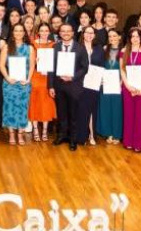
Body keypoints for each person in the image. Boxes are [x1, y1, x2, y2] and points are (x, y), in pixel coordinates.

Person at [48, 23, 89, 151]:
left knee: (73, 114)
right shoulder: (55, 47)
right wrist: (51, 86)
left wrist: (73, 77)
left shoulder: (80, 48)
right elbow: (51, 68)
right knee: (61, 114)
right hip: (59, 86)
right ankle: (61, 136)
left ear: (73, 33)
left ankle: (73, 139)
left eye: (68, 31)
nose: (66, 33)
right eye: (63, 31)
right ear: (59, 33)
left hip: (74, 86)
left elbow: (84, 67)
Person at [120, 27, 141, 153]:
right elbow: (122, 70)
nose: (135, 39)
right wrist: (128, 86)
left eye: (137, 36)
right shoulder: (124, 51)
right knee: (128, 115)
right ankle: (128, 141)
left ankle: (139, 143)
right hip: (128, 88)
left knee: (139, 116)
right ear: (129, 38)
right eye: (132, 36)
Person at [1, 23, 34, 145]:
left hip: (24, 83)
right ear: (13, 33)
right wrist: (8, 78)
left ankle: (20, 134)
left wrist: (28, 79)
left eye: (21, 31)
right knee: (9, 108)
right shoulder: (6, 47)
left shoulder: (29, 48)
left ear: (24, 33)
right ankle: (11, 135)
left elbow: (31, 66)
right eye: (16, 30)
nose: (18, 33)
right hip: (10, 83)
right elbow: (1, 65)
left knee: (22, 109)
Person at [76, 26, 104, 146]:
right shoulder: (77, 48)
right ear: (83, 34)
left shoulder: (99, 49)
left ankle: (92, 135)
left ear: (94, 35)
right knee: (82, 110)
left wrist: (102, 78)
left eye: (92, 33)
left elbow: (102, 65)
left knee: (92, 110)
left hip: (94, 83)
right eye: (87, 32)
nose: (89, 35)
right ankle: (82, 135)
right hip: (81, 83)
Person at [28, 23, 56, 141]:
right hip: (35, 76)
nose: (44, 33)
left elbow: (56, 62)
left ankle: (44, 130)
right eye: (42, 31)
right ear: (38, 32)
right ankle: (35, 129)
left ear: (49, 32)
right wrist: (35, 60)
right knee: (34, 102)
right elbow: (29, 62)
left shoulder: (54, 45)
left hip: (48, 78)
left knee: (46, 103)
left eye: (46, 30)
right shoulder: (33, 44)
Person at [97, 29, 124, 144]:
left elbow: (126, 69)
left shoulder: (124, 50)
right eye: (110, 36)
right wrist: (101, 79)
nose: (112, 38)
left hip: (119, 84)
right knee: (106, 108)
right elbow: (101, 66)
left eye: (114, 35)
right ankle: (109, 133)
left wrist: (121, 82)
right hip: (106, 84)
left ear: (119, 37)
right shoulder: (104, 49)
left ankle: (117, 134)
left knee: (117, 110)